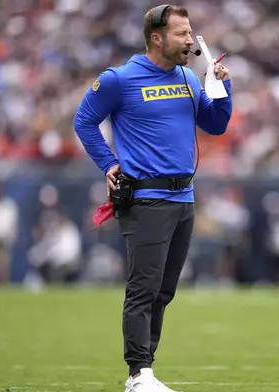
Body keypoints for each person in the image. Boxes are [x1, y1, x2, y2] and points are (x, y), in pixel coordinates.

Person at [73, 4, 232, 392]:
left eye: (191, 33)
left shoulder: (188, 79)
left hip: (184, 199)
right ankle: (137, 374)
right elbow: (84, 120)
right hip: (146, 200)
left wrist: (220, 87)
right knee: (143, 288)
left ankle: (145, 371)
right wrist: (108, 163)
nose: (190, 40)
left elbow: (216, 124)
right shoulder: (119, 79)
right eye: (182, 33)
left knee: (163, 290)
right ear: (157, 38)